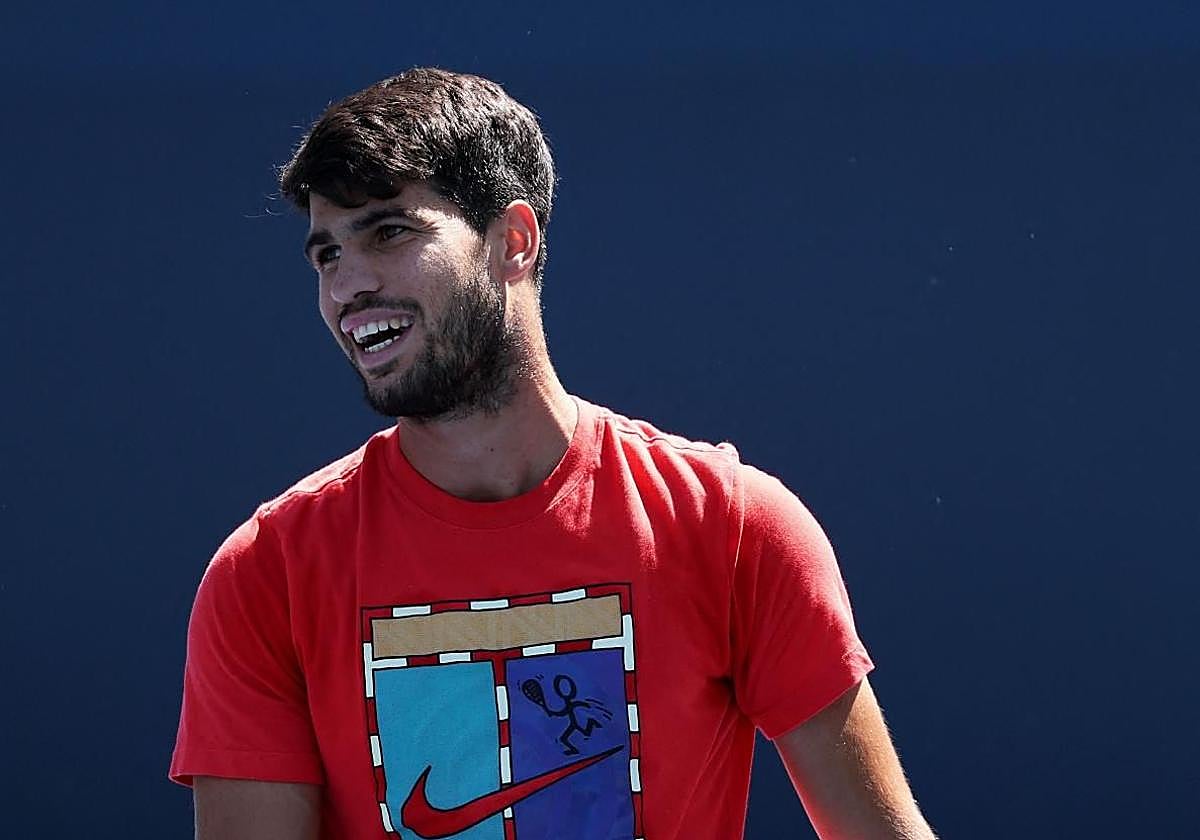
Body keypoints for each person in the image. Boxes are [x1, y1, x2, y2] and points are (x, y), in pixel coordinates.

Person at [170, 67, 937, 840]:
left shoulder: (734, 526)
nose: (347, 287)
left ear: (513, 243)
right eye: (326, 255)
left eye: (389, 232)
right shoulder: (263, 575)